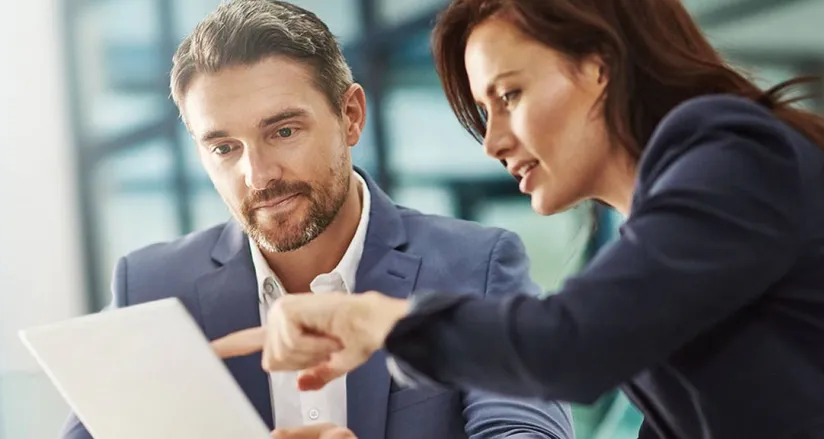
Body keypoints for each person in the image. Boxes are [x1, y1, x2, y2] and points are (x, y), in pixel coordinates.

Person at [211, 0, 824, 438]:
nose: (495, 140)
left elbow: (569, 345)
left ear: (599, 64)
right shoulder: (662, 250)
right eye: (482, 113)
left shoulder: (734, 151)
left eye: (507, 95)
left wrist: (373, 319)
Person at [60, 1, 575, 439]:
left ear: (350, 116)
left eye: (283, 132)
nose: (257, 175)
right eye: (223, 147)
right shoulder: (151, 288)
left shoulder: (474, 267)